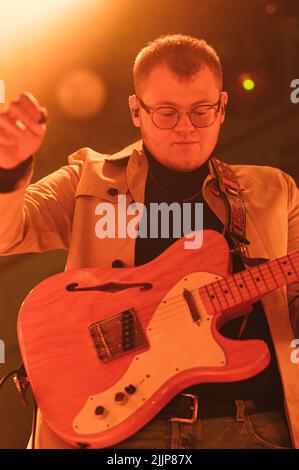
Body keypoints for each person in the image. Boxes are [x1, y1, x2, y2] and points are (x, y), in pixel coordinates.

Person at [0, 34, 298, 449]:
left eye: (201, 111)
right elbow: (6, 232)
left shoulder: (274, 190)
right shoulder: (88, 179)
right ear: (136, 111)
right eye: (166, 112)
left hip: (250, 426)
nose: (185, 128)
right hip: (122, 432)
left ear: (223, 107)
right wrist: (8, 170)